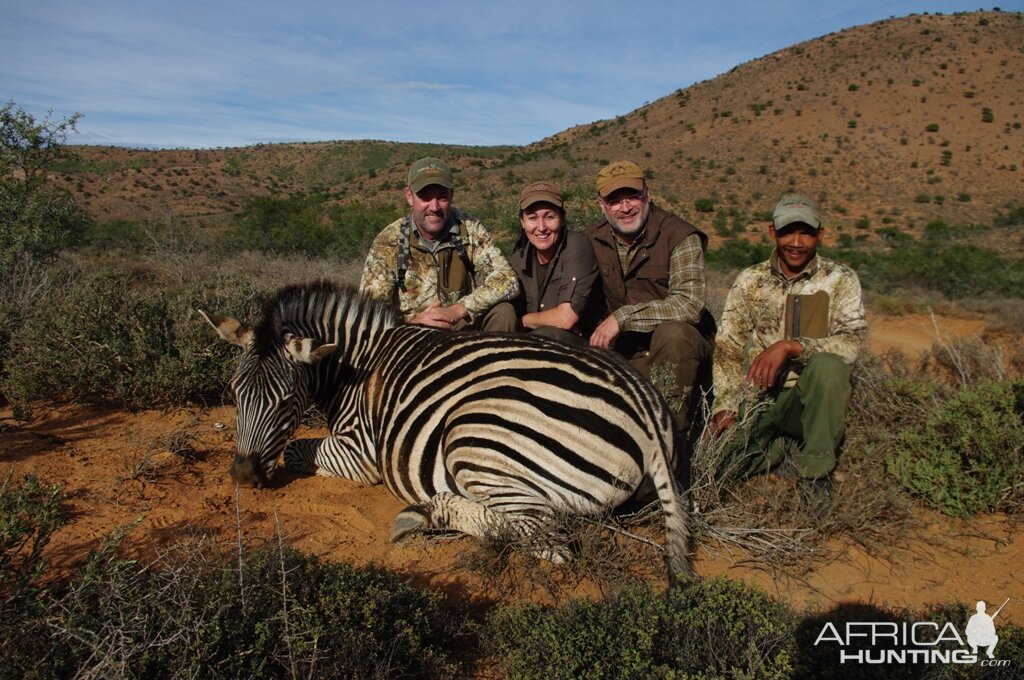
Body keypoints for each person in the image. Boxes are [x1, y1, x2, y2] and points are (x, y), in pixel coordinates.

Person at [708, 193, 867, 513]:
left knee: (829, 367)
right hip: (756, 400)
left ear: (820, 234)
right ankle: (775, 449)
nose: (796, 242)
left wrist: (793, 346)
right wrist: (724, 404)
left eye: (806, 232)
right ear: (772, 233)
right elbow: (729, 345)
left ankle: (816, 473)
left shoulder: (840, 280)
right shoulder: (751, 279)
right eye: (787, 232)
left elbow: (851, 342)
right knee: (721, 468)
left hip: (808, 399)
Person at [585, 160, 716, 438]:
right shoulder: (590, 239)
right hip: (623, 353)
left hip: (674, 353)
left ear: (648, 194)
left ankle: (672, 442)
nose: (625, 207)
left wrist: (623, 318)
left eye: (632, 196)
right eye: (614, 200)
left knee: (674, 334)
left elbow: (689, 304)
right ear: (601, 205)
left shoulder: (680, 235)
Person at [360, 156, 519, 331]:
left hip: (458, 327)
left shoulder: (469, 228)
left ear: (452, 195)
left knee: (504, 313)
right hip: (409, 335)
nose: (434, 207)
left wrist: (458, 310)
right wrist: (413, 323)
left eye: (442, 197)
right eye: (425, 197)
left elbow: (508, 279)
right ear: (409, 196)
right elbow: (369, 312)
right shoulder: (388, 242)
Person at [507, 180, 601, 345]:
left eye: (549, 217)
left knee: (546, 335)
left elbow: (566, 318)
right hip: (534, 346)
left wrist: (522, 320)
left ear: (562, 218)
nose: (541, 227)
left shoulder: (576, 246)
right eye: (532, 218)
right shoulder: (516, 260)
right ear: (522, 222)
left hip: (582, 347)